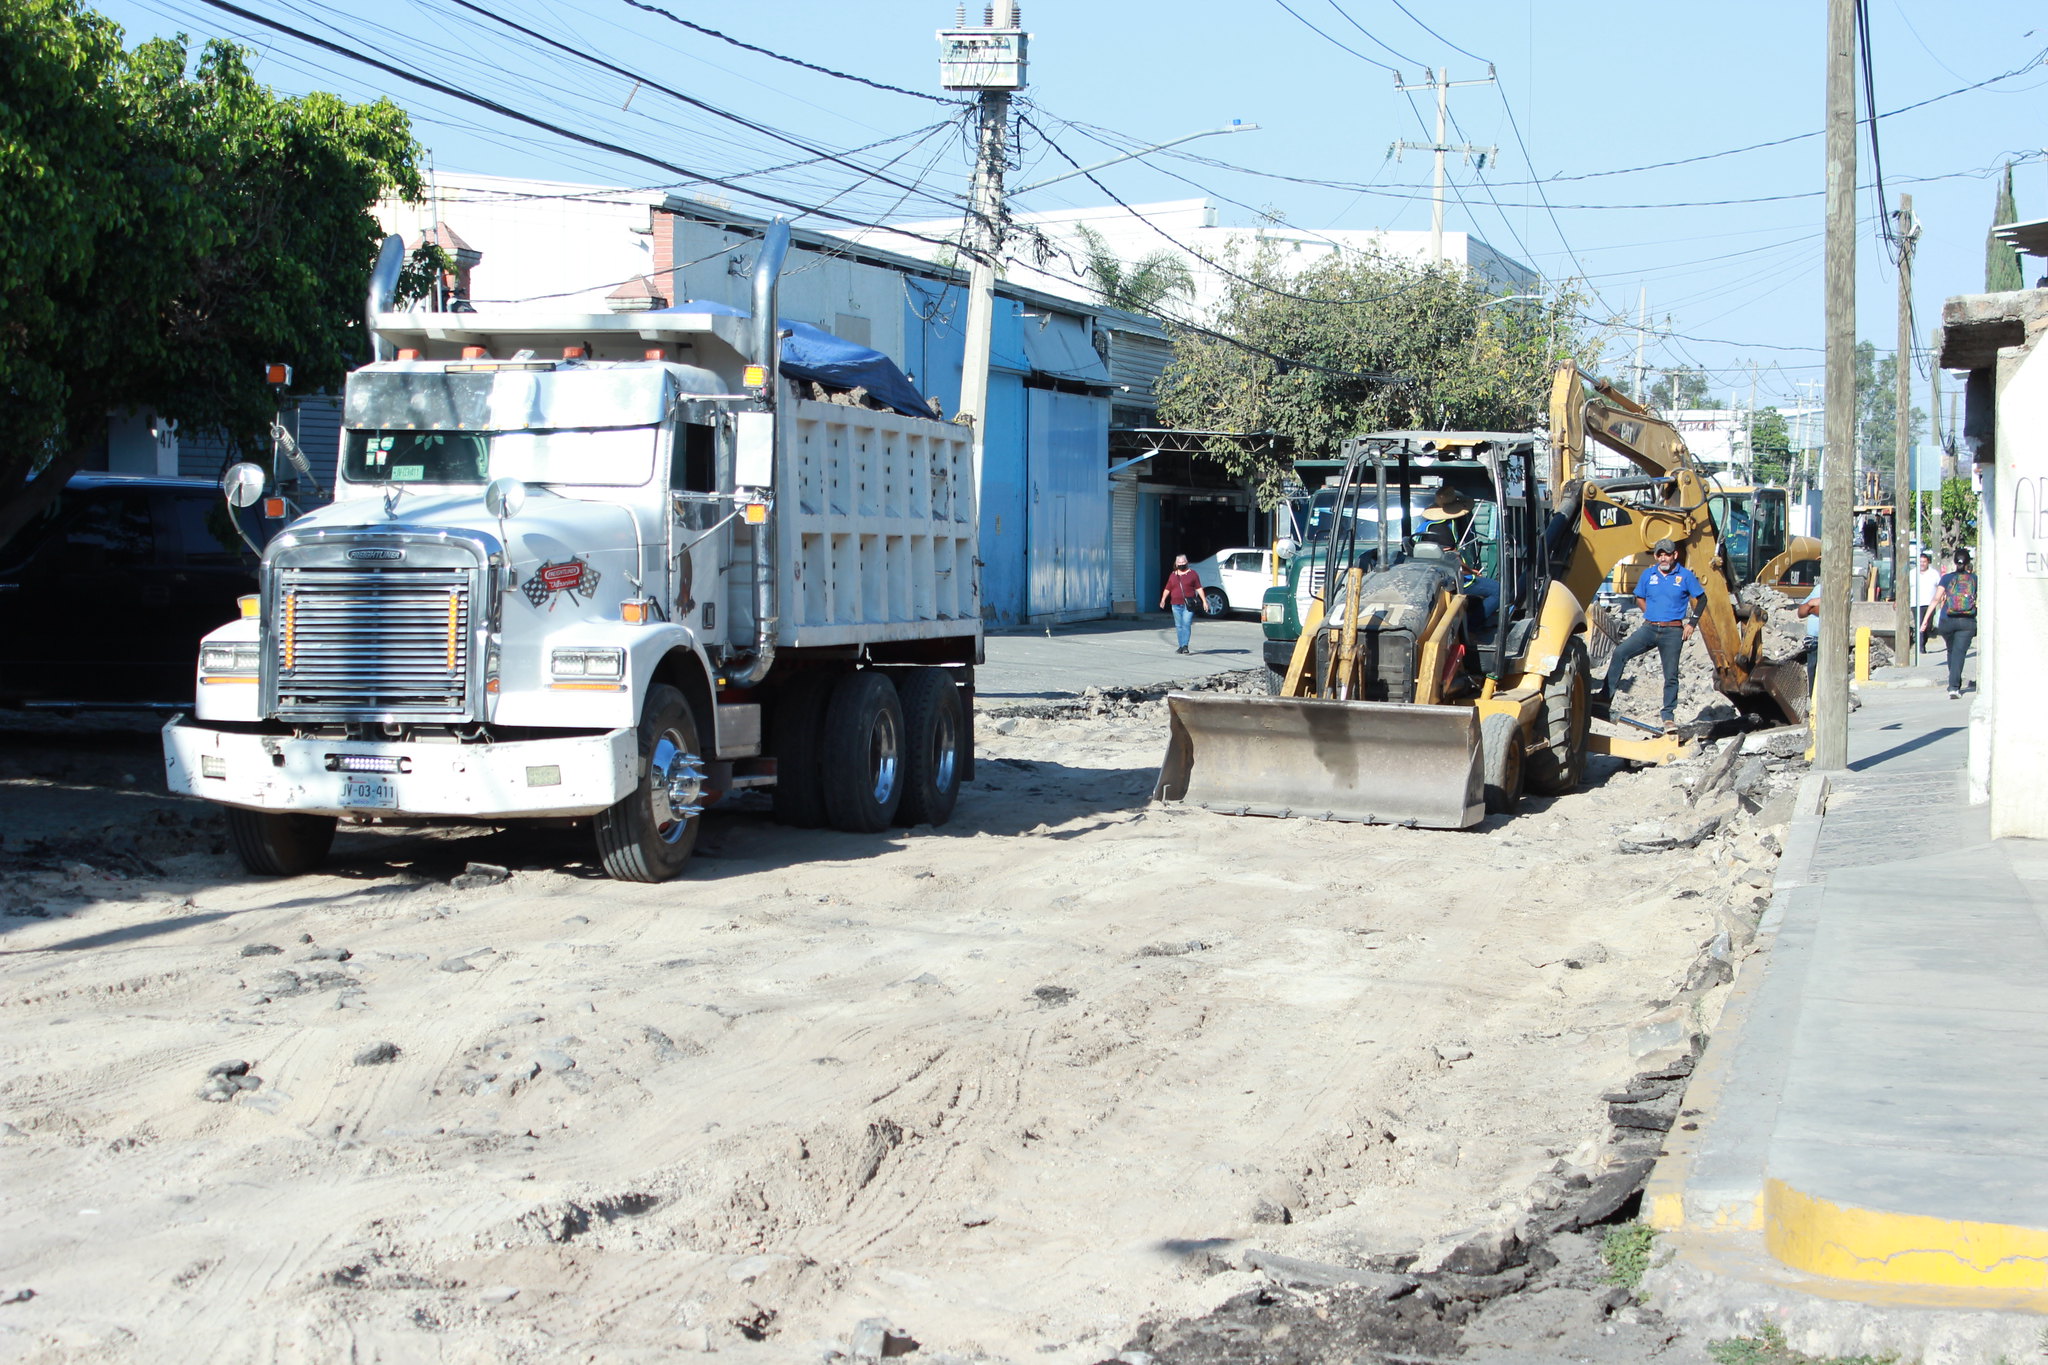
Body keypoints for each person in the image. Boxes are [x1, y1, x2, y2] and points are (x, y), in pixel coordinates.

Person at [1592, 538, 1705, 734]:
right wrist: (1649, 612)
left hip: (1673, 631)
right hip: (1649, 628)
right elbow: (1639, 596)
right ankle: (1604, 697)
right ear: (1655, 556)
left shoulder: (1685, 576)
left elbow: (1702, 599)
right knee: (1620, 652)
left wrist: (1692, 624)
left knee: (1671, 675)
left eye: (1667, 554)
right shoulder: (1648, 574)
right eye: (1660, 554)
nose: (1663, 558)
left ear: (1674, 555)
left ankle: (1668, 717)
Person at [1920, 547, 1978, 699]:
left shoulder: (1946, 578)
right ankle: (1954, 686)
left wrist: (1925, 621)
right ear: (1968, 563)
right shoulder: (1974, 579)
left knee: (1952, 651)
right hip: (1967, 621)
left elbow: (1936, 599)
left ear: (1954, 562)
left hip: (1947, 619)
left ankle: (1953, 680)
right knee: (1959, 653)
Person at [1160, 554, 1204, 654]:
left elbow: (1199, 588)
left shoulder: (1193, 574)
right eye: (1179, 563)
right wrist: (1163, 600)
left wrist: (1204, 601)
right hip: (1175, 604)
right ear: (1176, 564)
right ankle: (1181, 646)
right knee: (1179, 626)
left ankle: (1185, 645)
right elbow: (1167, 588)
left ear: (1187, 562)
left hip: (1188, 605)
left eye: (1183, 562)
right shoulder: (1173, 575)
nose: (1181, 564)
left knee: (1186, 623)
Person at [1913, 551, 1941, 653]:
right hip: (1916, 604)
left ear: (1928, 562)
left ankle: (1923, 642)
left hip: (1930, 604)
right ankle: (1920, 647)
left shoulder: (1934, 573)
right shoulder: (1912, 573)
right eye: (1920, 561)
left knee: (1928, 626)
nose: (1922, 564)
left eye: (1924, 562)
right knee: (1919, 623)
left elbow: (1940, 586)